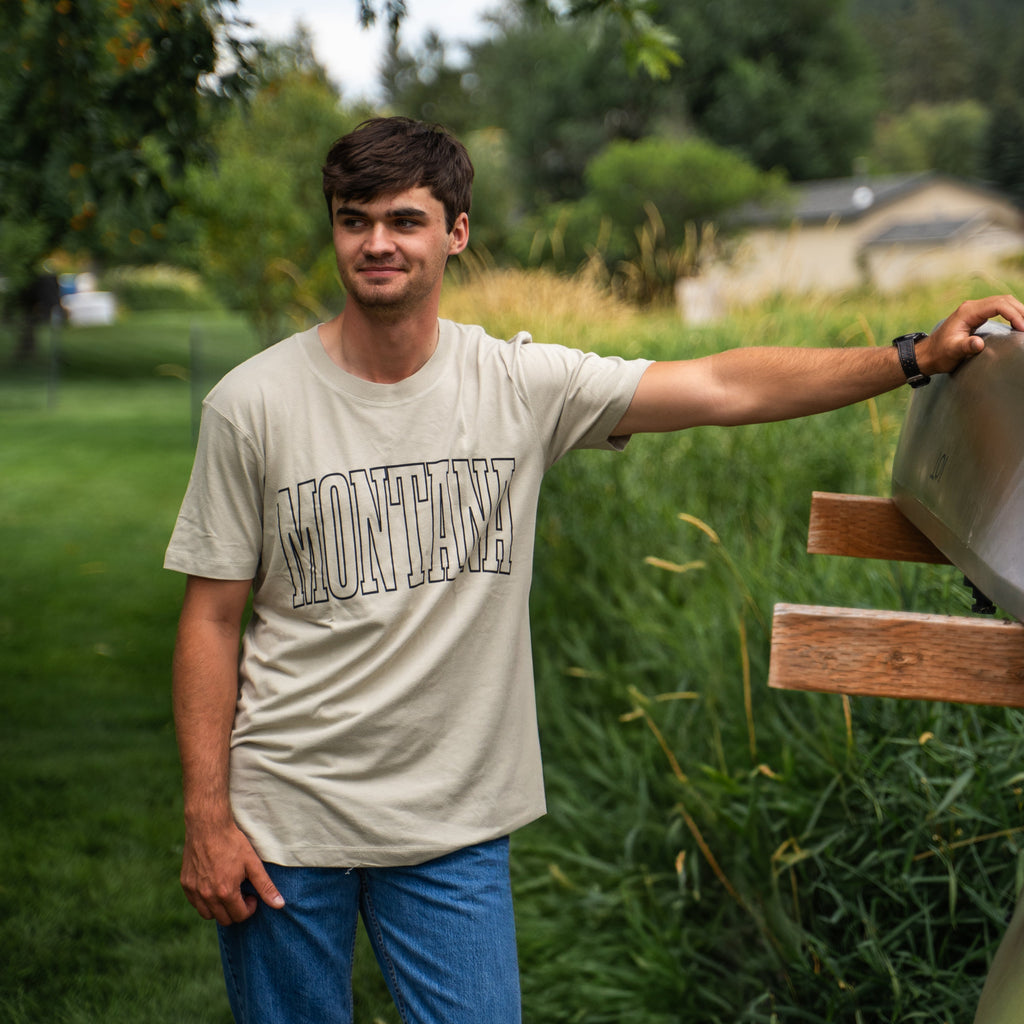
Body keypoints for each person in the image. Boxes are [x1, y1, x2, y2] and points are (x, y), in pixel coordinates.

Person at [164, 115, 1024, 1024]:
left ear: (455, 232)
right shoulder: (251, 405)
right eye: (353, 219)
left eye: (404, 220)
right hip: (284, 817)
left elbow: (724, 386)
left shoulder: (517, 385)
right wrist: (208, 818)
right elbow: (212, 620)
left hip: (452, 824)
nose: (377, 243)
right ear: (334, 228)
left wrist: (912, 357)